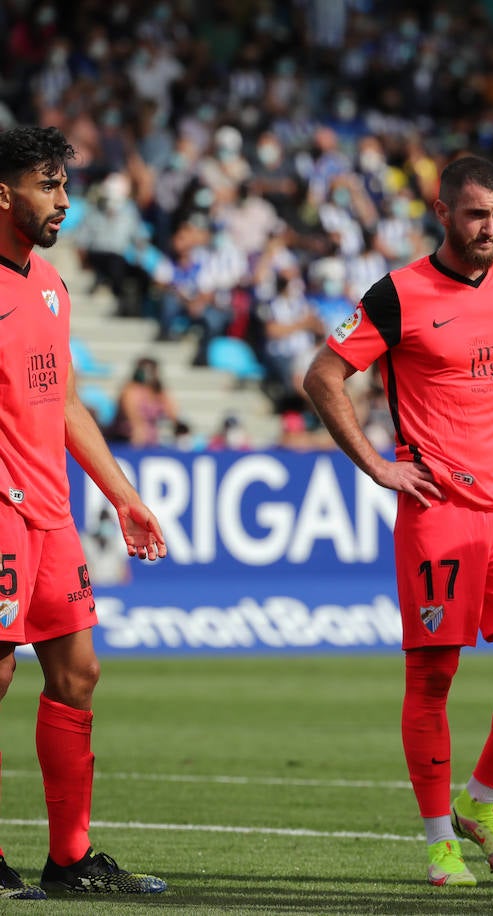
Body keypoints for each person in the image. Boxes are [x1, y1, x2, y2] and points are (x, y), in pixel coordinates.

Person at [302, 155, 493, 889]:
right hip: (439, 512)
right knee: (433, 676)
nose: (489, 227)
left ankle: (479, 804)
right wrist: (378, 465)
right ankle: (438, 843)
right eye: (477, 213)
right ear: (444, 212)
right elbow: (322, 376)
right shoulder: (397, 295)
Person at [0, 125, 168, 898]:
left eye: (65, 185)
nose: (64, 200)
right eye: (48, 184)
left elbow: (64, 403)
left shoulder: (50, 286)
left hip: (54, 515)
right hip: (2, 511)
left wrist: (124, 497)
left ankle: (68, 860)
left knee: (78, 673)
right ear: (5, 194)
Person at [108, 356, 180, 447]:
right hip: (128, 438)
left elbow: (173, 415)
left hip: (153, 440)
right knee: (139, 430)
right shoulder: (130, 390)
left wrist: (161, 393)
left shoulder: (159, 392)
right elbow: (134, 418)